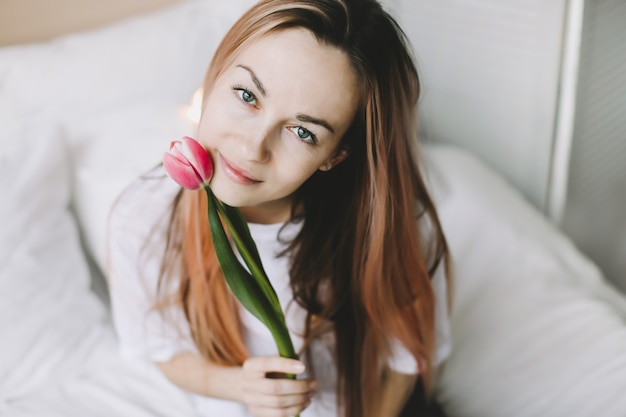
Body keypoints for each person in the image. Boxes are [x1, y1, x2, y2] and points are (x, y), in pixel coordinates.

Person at [107, 0, 452, 416]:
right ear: (215, 76)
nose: (252, 148)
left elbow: (404, 360)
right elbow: (165, 352)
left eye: (303, 132)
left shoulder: (385, 230)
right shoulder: (143, 220)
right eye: (247, 95)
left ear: (335, 155)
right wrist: (243, 385)